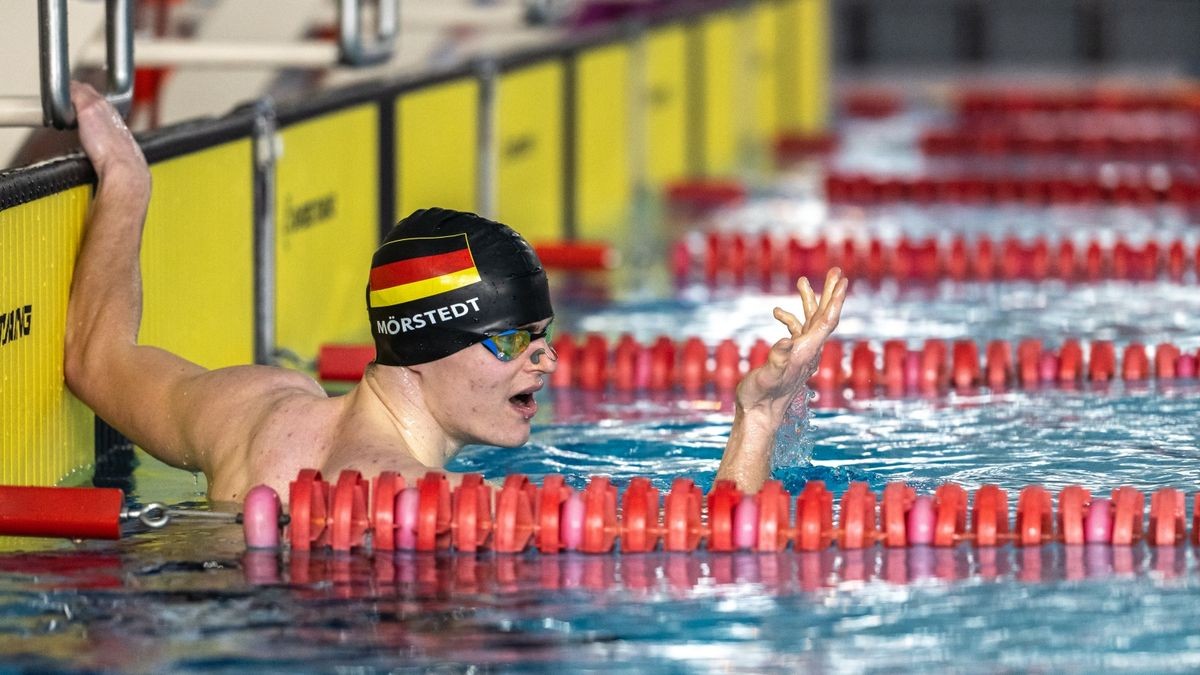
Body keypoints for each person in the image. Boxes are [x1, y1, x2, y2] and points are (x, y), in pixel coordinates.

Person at [63, 82, 848, 504]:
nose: (543, 361)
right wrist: (761, 414)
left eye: (542, 334)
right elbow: (706, 544)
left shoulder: (257, 409)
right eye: (510, 338)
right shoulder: (405, 497)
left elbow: (97, 359)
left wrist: (127, 187)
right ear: (422, 343)